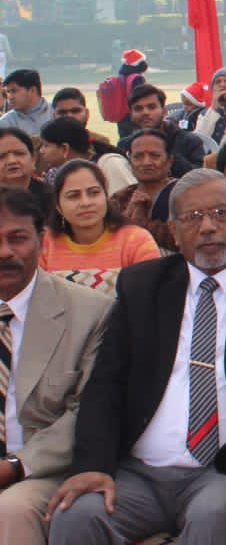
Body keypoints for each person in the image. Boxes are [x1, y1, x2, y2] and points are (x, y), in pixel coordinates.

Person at [46, 169, 226, 545]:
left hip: (221, 472)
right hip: (137, 471)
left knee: (212, 516)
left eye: (221, 213)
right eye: (192, 217)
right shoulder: (142, 286)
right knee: (75, 515)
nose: (208, 227)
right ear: (174, 231)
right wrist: (92, 465)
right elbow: (106, 383)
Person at [0, 187, 114, 544]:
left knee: (11, 509)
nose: (4, 252)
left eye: (17, 238)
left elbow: (87, 411)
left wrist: (14, 466)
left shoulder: (90, 312)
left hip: (39, 471)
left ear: (42, 241)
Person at [42, 160, 160, 272]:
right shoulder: (44, 243)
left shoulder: (136, 240)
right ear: (58, 206)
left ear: (106, 196)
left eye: (94, 193)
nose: (86, 203)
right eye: (73, 196)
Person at [109, 128, 178, 253]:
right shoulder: (122, 196)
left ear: (170, 161)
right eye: (138, 156)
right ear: (130, 161)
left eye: (155, 156)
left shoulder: (183, 194)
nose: (146, 162)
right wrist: (128, 212)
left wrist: (141, 222)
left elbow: (184, 238)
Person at [119, 85, 206, 179]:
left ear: (164, 111)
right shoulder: (124, 146)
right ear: (131, 115)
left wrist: (170, 156)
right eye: (138, 109)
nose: (145, 112)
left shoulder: (189, 141)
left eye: (151, 107)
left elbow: (200, 177)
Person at [37, 117, 134, 196]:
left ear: (64, 148)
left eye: (46, 145)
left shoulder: (110, 164)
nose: (41, 151)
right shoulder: (54, 174)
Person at [0, 128, 51, 220]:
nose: (12, 161)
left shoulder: (53, 198)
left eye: (19, 153)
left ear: (33, 159)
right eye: (1, 156)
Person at [0, 70, 51, 137]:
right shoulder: (5, 123)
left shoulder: (56, 112)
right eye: (8, 92)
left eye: (14, 91)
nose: (10, 97)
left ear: (32, 90)